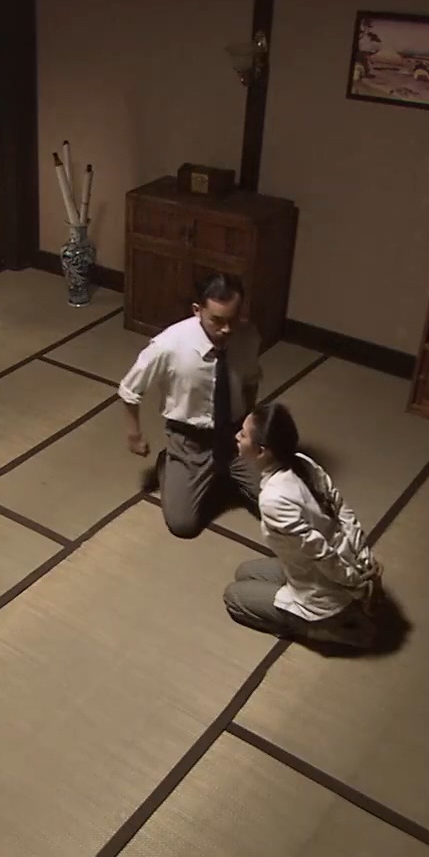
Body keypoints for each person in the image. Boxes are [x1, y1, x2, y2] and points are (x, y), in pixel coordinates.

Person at [117, 272, 262, 539]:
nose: (226, 329)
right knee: (183, 524)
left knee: (278, 502)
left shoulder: (247, 336)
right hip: (190, 440)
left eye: (232, 319)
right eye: (217, 320)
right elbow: (129, 390)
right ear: (198, 310)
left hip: (235, 435)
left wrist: (251, 426)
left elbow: (251, 380)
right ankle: (168, 463)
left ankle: (225, 470)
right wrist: (134, 435)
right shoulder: (169, 346)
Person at [222, 403, 382, 644]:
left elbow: (322, 554)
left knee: (233, 597)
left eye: (243, 434)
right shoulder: (301, 462)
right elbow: (343, 511)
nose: (237, 436)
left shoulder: (274, 499)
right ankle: (346, 606)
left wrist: (358, 583)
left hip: (324, 592)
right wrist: (363, 559)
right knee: (244, 572)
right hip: (332, 564)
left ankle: (323, 628)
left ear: (261, 451)